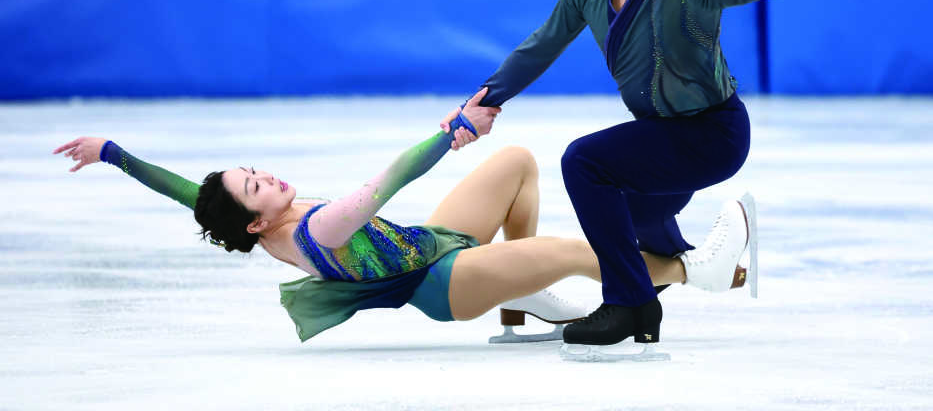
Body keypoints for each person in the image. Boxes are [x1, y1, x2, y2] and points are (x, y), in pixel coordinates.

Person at [441, 0, 918, 355]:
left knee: (584, 161)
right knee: (625, 216)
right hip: (659, 135)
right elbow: (540, 47)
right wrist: (483, 103)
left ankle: (630, 304)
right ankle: (685, 264)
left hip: (711, 136)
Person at [53, 88, 745, 346]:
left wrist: (114, 154)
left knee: (517, 163)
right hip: (443, 284)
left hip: (434, 243)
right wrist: (452, 131)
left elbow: (189, 192)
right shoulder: (315, 230)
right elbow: (391, 179)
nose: (268, 178)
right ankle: (694, 272)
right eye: (256, 187)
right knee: (578, 250)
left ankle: (520, 300)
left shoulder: (253, 221)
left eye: (255, 171)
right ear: (256, 223)